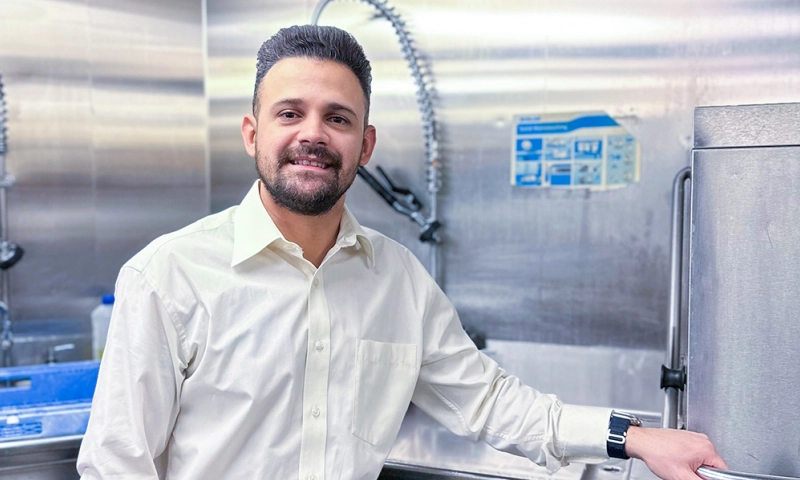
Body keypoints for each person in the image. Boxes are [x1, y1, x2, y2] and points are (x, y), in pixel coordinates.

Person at [77, 25, 727, 480]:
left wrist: (636, 438)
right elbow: (116, 465)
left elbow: (491, 403)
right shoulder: (168, 276)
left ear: (365, 145)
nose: (313, 134)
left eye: (337, 118)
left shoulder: (398, 280)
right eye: (289, 113)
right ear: (252, 133)